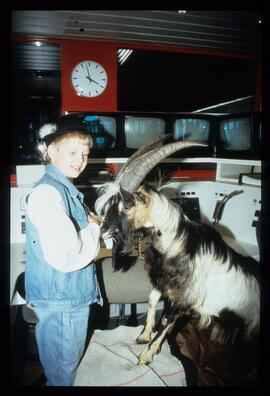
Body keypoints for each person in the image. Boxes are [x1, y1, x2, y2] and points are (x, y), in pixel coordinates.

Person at [24, 122, 103, 386]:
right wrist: (93, 229)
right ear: (52, 152)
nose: (81, 160)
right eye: (73, 152)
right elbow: (69, 256)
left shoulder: (62, 189)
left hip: (66, 300)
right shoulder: (48, 194)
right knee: (63, 373)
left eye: (85, 153)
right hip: (63, 304)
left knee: (62, 368)